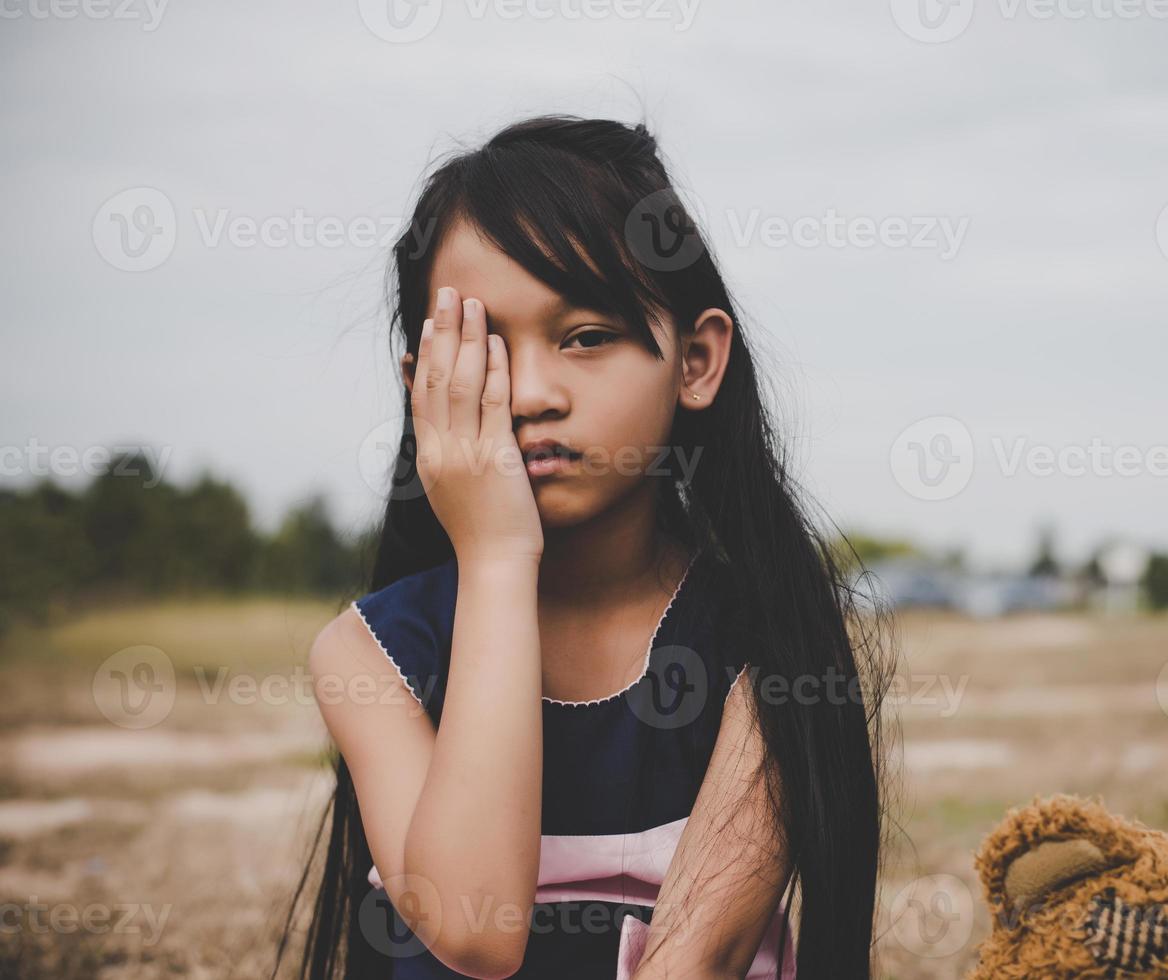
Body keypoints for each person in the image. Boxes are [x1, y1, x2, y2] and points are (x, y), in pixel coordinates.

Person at [276, 115, 896, 980]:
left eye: (587, 338)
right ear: (422, 386)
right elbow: (471, 929)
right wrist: (496, 557)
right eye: (482, 348)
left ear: (695, 361)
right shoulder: (370, 653)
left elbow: (696, 960)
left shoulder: (770, 642)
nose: (529, 393)